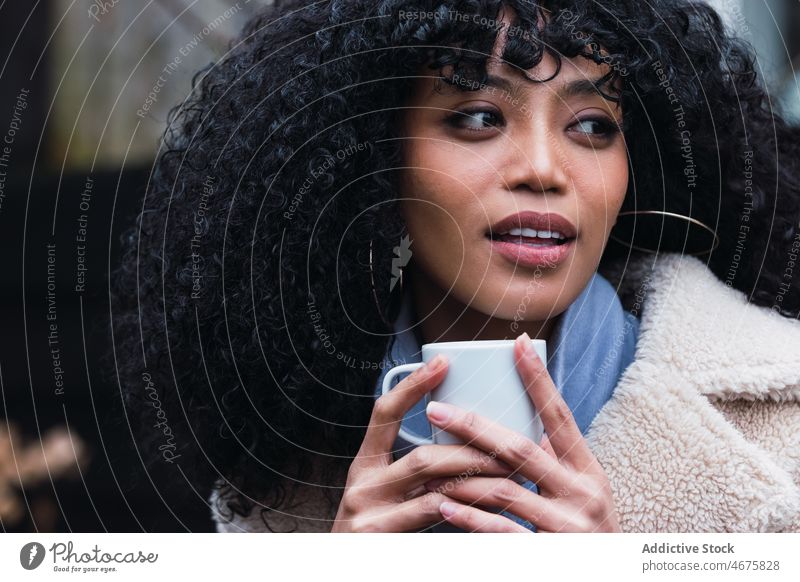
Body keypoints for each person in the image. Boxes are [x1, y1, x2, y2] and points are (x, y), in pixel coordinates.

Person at [113, 0, 800, 533]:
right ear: (376, 155)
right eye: (477, 116)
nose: (541, 169)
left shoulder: (784, 425)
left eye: (592, 125)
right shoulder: (289, 463)